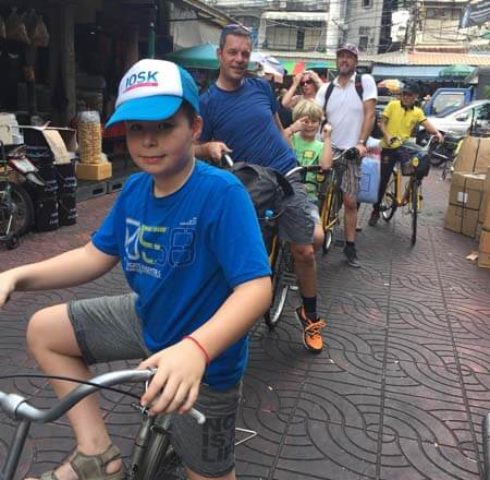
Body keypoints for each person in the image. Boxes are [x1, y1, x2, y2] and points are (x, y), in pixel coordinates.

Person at [0, 59, 272, 480]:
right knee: (43, 330)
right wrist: (17, 276)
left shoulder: (221, 193)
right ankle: (97, 455)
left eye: (164, 126)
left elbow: (256, 289)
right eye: (136, 129)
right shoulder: (135, 188)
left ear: (195, 127)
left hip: (205, 359)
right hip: (147, 318)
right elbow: (94, 255)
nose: (148, 141)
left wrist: (196, 350)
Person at [195, 24, 327, 354]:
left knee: (306, 250)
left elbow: (277, 128)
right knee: (235, 258)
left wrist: (294, 151)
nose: (239, 59)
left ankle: (309, 315)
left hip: (286, 173)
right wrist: (208, 146)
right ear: (219, 55)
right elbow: (191, 148)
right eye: (233, 52)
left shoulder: (260, 88)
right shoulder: (207, 103)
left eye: (245, 53)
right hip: (248, 184)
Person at [315, 43, 377, 268]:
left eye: (349, 57)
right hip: (329, 149)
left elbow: (370, 114)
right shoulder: (326, 89)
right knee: (318, 194)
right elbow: (317, 114)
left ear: (356, 62)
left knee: (350, 201)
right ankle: (317, 233)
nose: (344, 60)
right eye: (341, 56)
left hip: (352, 150)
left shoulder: (364, 82)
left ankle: (350, 247)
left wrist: (361, 143)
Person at [368, 82, 443, 227]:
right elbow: (382, 123)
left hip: (404, 147)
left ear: (415, 96)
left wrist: (437, 133)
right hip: (388, 147)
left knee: (416, 164)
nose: (405, 97)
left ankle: (413, 189)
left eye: (409, 95)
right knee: (383, 180)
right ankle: (375, 210)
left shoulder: (417, 111)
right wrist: (388, 136)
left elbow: (426, 124)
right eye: (404, 94)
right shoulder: (393, 105)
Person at [285, 99, 333, 250]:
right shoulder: (291, 138)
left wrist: (327, 138)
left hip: (308, 198)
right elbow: (281, 142)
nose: (310, 125)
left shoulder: (320, 146)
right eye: (306, 121)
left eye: (315, 121)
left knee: (318, 237)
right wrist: (292, 128)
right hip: (285, 193)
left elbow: (325, 165)